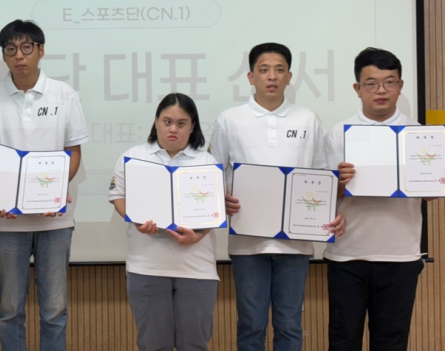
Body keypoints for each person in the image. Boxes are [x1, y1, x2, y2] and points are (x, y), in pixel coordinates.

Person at [208, 42, 345, 351]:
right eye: (264, 70)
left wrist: (328, 211)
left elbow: (321, 174)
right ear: (250, 77)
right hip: (247, 243)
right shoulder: (229, 119)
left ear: (289, 76)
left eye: (279, 70)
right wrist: (221, 198)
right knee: (251, 325)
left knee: (289, 325)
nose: (272, 76)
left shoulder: (307, 119)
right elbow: (213, 172)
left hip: (295, 243)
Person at [0, 19, 88, 351]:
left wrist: (56, 191)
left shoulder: (64, 95)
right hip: (7, 222)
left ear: (40, 51)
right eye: (10, 49)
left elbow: (73, 151)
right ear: (4, 55)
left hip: (55, 221)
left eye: (26, 47)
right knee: (10, 311)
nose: (18, 55)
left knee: (54, 310)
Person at [324, 47, 425, 351]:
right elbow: (324, 195)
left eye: (389, 82)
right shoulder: (338, 133)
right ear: (358, 88)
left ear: (400, 86)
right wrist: (338, 183)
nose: (381, 91)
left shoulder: (419, 134)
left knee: (392, 342)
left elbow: (431, 193)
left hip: (400, 255)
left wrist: (432, 181)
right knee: (343, 340)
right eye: (371, 83)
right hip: (348, 255)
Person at [108, 93, 219, 351]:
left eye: (181, 123)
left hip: (196, 268)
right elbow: (117, 196)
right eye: (167, 122)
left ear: (192, 126)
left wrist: (197, 236)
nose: (173, 129)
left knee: (195, 345)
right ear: (156, 121)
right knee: (152, 345)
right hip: (147, 266)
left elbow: (214, 211)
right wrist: (136, 219)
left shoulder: (206, 161)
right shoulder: (133, 156)